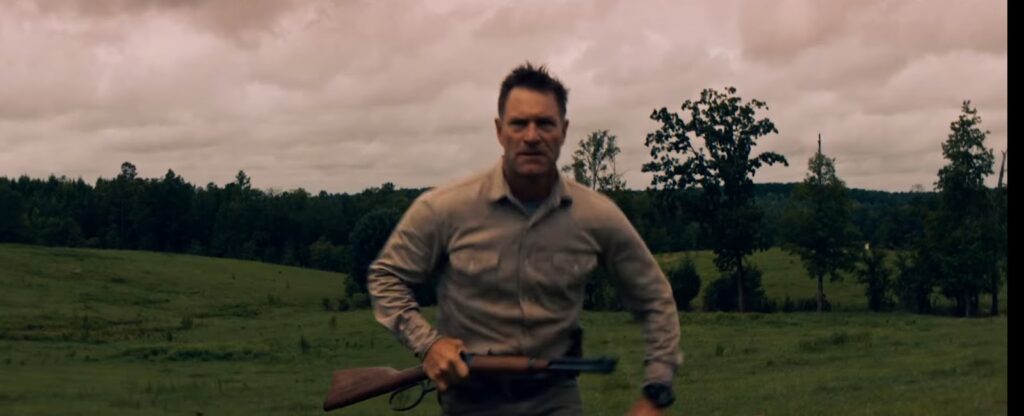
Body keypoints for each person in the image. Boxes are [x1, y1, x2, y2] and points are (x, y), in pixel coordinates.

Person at [368, 62, 681, 416]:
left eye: (545, 123)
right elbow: (386, 276)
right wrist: (428, 345)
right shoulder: (445, 208)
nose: (531, 136)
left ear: (563, 131)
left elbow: (655, 297)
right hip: (469, 402)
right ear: (499, 130)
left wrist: (657, 390)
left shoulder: (596, 215)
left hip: (555, 400)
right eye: (519, 123)